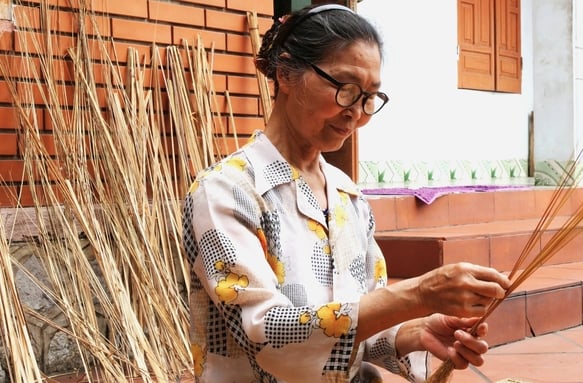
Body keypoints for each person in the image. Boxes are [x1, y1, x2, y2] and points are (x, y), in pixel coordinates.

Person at [182, 4, 511, 382]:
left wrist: (412, 332)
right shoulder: (228, 190)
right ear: (287, 74)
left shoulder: (346, 196)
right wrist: (416, 294)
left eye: (369, 97)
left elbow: (353, 326)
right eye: (344, 88)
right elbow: (263, 335)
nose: (356, 111)